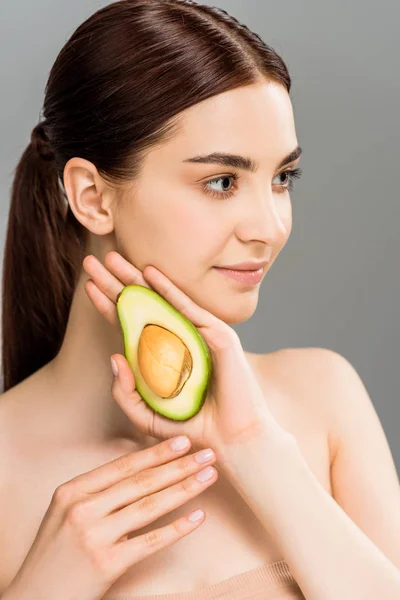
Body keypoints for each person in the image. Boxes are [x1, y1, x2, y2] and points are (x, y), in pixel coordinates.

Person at [2, 1, 400, 599]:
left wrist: (257, 453)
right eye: (222, 182)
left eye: (282, 178)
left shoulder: (322, 397)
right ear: (92, 197)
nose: (269, 226)